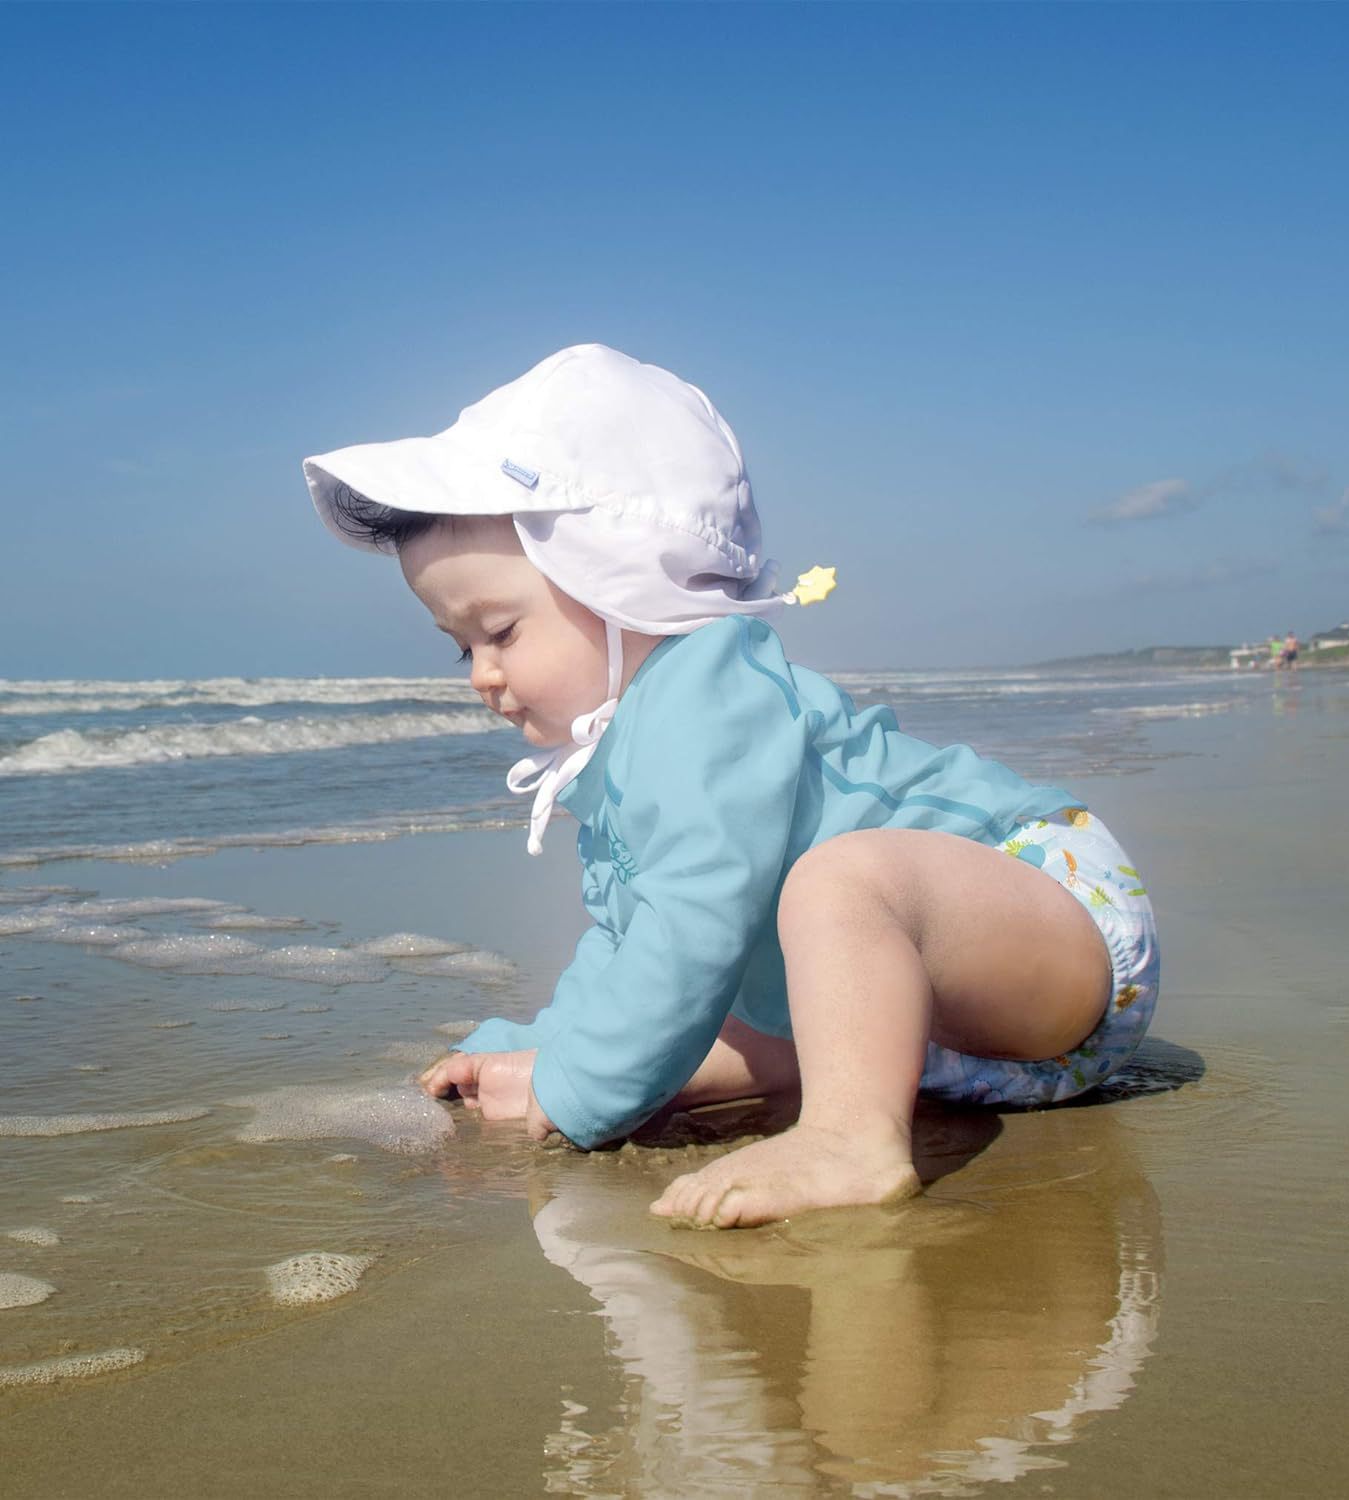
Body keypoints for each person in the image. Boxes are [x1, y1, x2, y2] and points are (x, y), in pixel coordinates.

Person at [304, 345, 1159, 1228]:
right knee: (734, 993)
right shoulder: (621, 746)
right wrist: (552, 1046)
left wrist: (585, 1091)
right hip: (948, 1026)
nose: (481, 674)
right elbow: (632, 941)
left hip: (1047, 912)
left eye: (501, 630)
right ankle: (815, 1083)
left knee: (833, 887)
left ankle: (849, 1140)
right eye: (461, 647)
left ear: (618, 572)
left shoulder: (709, 691)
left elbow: (689, 925)